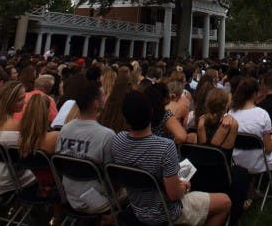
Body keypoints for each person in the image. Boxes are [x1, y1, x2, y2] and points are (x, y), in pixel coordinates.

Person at [111, 91, 231, 226]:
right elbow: (173, 195)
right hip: (166, 213)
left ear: (126, 118)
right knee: (225, 202)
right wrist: (184, 186)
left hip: (137, 208)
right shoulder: (165, 147)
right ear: (151, 112)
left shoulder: (117, 140)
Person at [56, 80, 114, 216]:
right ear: (96, 103)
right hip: (98, 201)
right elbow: (112, 176)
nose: (106, 97)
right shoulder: (106, 135)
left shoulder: (65, 129)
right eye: (103, 95)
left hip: (69, 195)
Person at [229, 78, 272, 202]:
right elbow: (268, 149)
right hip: (257, 162)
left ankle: (251, 190)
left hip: (236, 162)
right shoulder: (262, 114)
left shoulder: (231, 113)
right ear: (254, 94)